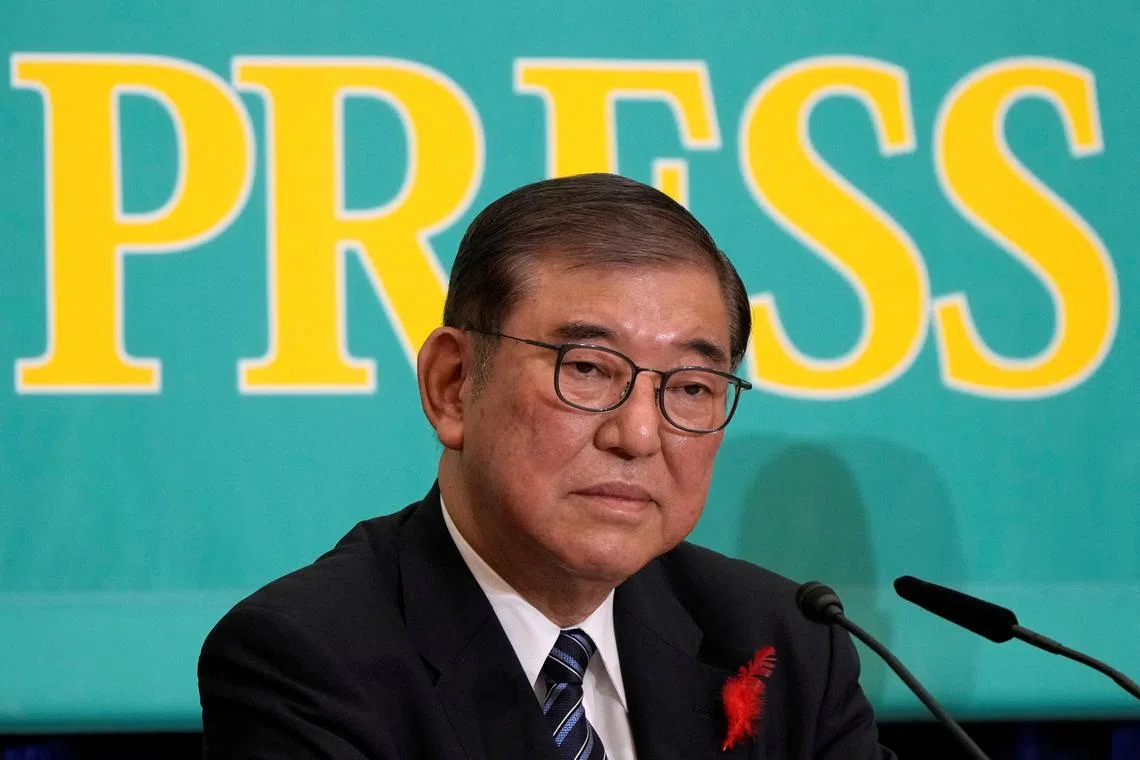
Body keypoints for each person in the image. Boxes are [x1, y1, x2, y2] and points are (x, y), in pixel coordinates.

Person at [199, 173, 894, 759]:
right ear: (452, 385)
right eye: (587, 369)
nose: (640, 433)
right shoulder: (309, 658)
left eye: (690, 386)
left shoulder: (787, 645)